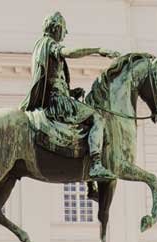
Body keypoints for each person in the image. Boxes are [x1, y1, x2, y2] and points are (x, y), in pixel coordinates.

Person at [20, 11, 119, 181]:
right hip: (57, 102)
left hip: (58, 97)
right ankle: (95, 164)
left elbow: (51, 79)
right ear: (57, 28)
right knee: (97, 118)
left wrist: (72, 92)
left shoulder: (40, 45)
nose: (65, 34)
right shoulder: (49, 43)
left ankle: (89, 178)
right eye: (64, 30)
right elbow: (69, 53)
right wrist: (98, 50)